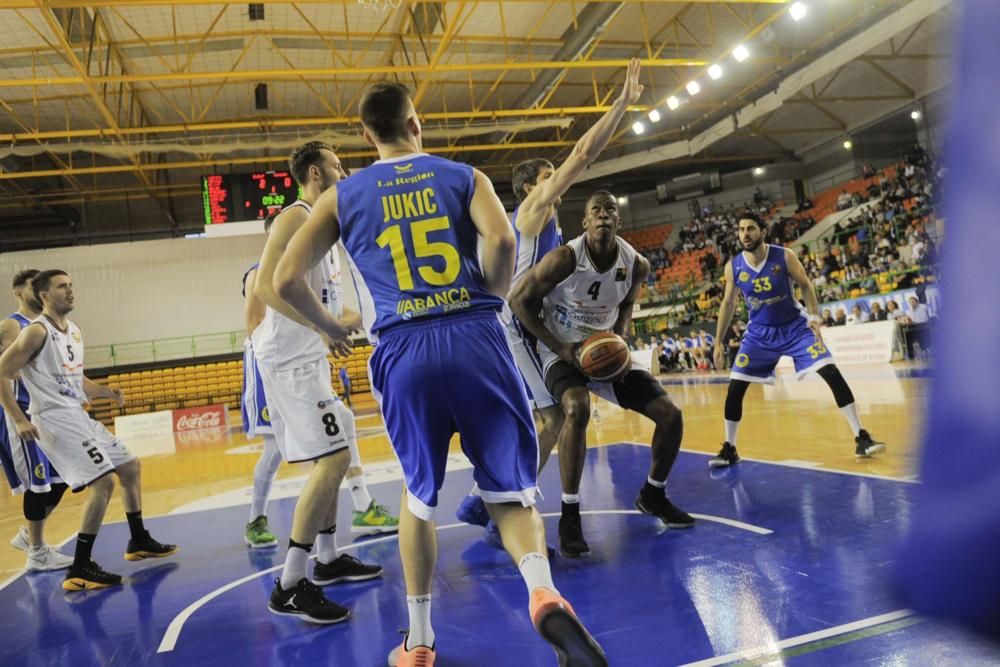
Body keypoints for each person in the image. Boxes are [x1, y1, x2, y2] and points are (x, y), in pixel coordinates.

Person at [276, 82, 606, 667]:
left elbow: (281, 281)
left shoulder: (342, 196)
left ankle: (421, 640)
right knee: (511, 495)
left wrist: (330, 326)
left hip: (403, 350)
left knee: (419, 499)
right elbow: (502, 238)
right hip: (478, 338)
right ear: (416, 124)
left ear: (366, 134)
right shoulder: (464, 176)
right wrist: (494, 294)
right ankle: (544, 596)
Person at [455, 59, 644, 547]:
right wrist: (621, 105)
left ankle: (492, 497)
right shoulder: (533, 210)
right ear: (529, 188)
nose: (557, 180)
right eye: (548, 175)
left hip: (522, 321)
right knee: (555, 417)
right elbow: (582, 153)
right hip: (517, 324)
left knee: (547, 418)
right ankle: (496, 501)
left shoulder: (552, 226)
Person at [510, 189, 693, 560]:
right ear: (586, 221)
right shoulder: (564, 258)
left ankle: (653, 494)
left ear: (619, 220)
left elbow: (626, 303)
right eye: (597, 210)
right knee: (576, 409)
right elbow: (518, 301)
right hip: (562, 350)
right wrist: (559, 347)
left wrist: (621, 340)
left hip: (604, 350)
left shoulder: (635, 263)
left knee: (671, 415)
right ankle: (570, 514)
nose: (604, 216)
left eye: (611, 209)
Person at [252, 142, 383, 625]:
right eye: (336, 165)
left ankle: (327, 560)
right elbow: (265, 286)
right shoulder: (295, 216)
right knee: (333, 458)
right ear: (314, 171)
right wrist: (325, 327)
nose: (343, 171)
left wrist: (328, 329)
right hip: (288, 360)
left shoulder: (325, 224)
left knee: (342, 435)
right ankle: (289, 584)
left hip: (305, 354)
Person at [0, 270, 177, 591]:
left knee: (129, 467)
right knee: (103, 482)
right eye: (61, 287)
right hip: (53, 419)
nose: (70, 291)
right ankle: (80, 567)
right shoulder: (35, 333)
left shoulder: (74, 331)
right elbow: (1, 370)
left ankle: (138, 540)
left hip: (75, 414)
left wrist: (106, 392)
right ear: (44, 296)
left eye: (71, 285)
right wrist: (19, 419)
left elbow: (77, 380)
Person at [241, 216, 398, 549]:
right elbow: (254, 324)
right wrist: (320, 327)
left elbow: (344, 313)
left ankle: (358, 511)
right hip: (271, 364)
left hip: (309, 360)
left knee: (341, 431)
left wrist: (343, 321)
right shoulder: (260, 273)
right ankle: (257, 519)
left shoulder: (313, 273)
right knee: (275, 450)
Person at [710, 213, 886, 467]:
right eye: (741, 230)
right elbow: (727, 303)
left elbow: (805, 285)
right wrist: (718, 341)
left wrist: (814, 317)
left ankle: (861, 436)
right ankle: (730, 448)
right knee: (735, 388)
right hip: (759, 334)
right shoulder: (734, 266)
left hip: (795, 328)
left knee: (831, 372)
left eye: (750, 229)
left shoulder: (784, 256)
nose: (745, 234)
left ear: (763, 231)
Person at [0, 269, 72, 572]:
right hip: (20, 414)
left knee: (64, 476)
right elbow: (3, 371)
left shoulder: (45, 326)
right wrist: (18, 419)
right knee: (38, 484)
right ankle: (38, 552)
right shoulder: (12, 325)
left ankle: (31, 537)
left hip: (46, 414)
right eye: (33, 287)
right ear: (19, 292)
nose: (39, 291)